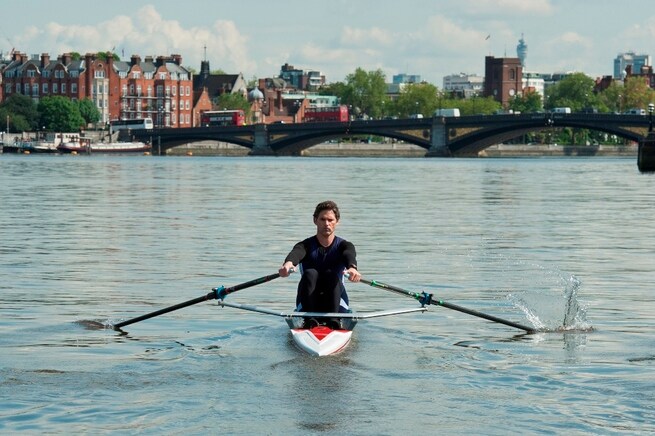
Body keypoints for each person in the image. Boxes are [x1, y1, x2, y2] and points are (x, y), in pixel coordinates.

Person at [279, 201, 361, 318]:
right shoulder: (305, 245)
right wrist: (287, 265)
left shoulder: (345, 246)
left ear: (337, 222)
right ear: (315, 220)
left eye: (330, 220)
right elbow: (296, 254)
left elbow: (349, 255)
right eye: (322, 219)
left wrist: (352, 268)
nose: (326, 224)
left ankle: (334, 320)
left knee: (331, 275)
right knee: (310, 274)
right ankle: (308, 320)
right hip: (308, 301)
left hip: (337, 302)